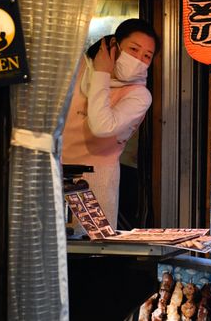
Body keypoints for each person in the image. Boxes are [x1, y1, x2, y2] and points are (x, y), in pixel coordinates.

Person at [62, 18, 159, 227]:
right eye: (133, 49)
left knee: (90, 248)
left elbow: (101, 126)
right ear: (114, 45)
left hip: (96, 182)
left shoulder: (139, 95)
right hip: (54, 173)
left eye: (147, 56)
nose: (139, 59)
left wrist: (102, 73)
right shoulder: (76, 67)